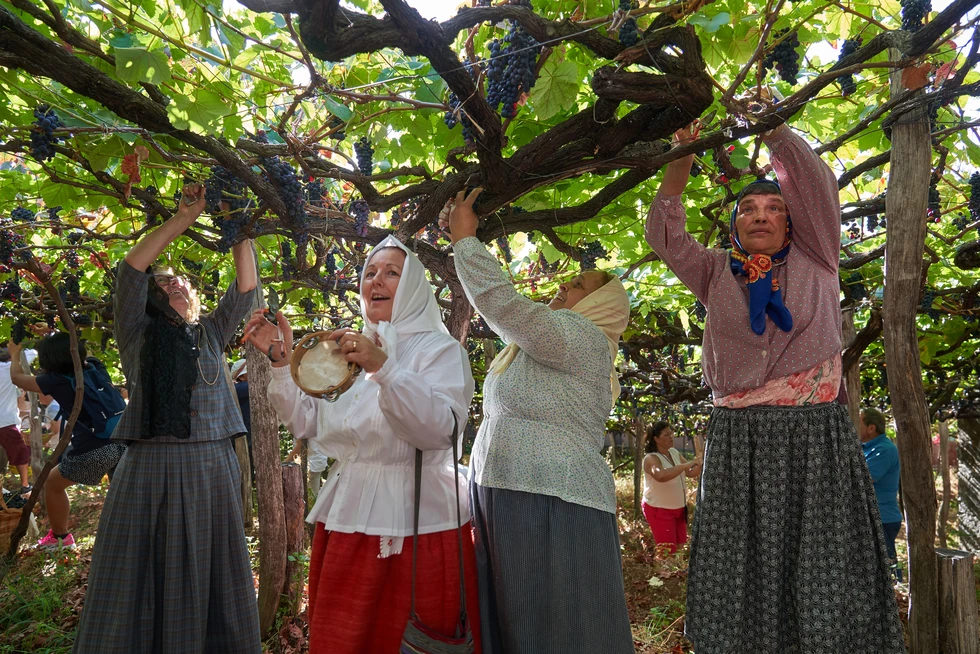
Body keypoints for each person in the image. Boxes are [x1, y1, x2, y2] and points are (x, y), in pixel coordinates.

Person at [646, 123, 904, 652]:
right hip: (738, 440)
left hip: (814, 436)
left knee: (820, 559)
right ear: (735, 224)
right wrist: (681, 156)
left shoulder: (820, 258)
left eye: (773, 207)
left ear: (791, 220)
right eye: (748, 209)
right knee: (738, 559)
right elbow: (666, 234)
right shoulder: (716, 271)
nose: (760, 214)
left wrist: (772, 130)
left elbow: (813, 185)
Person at [243, 235, 481, 653]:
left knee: (415, 639)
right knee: (345, 639)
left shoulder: (439, 351)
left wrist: (383, 368)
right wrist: (282, 362)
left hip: (422, 525)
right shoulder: (347, 351)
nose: (377, 280)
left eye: (392, 272)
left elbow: (439, 433)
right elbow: (309, 422)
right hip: (352, 519)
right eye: (370, 273)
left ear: (412, 287)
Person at [72, 183, 261, 653]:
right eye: (164, 283)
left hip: (214, 468)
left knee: (212, 573)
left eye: (180, 281)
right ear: (151, 299)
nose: (174, 283)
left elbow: (246, 288)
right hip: (151, 470)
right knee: (138, 582)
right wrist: (184, 219)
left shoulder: (213, 335)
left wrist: (237, 223)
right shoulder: (137, 332)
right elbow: (131, 269)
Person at [449, 189, 635, 654]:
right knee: (524, 620)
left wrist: (466, 242)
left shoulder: (584, 337)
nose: (562, 287)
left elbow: (507, 308)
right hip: (517, 489)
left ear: (601, 306)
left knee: (554, 622)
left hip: (551, 495)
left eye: (577, 286)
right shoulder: (544, 349)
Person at [7, 333, 126, 551]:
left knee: (52, 484)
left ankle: (60, 538)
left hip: (95, 447)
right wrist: (58, 338)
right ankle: (128, 535)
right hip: (124, 441)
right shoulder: (95, 368)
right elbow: (82, 353)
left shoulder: (57, 381)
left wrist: (15, 354)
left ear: (49, 361)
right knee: (120, 490)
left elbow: (17, 378)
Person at [641, 421, 701, 555]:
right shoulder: (651, 458)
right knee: (666, 552)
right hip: (660, 509)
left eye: (671, 433)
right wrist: (686, 465)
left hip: (679, 509)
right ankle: (662, 575)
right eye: (666, 434)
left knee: (679, 548)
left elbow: (690, 472)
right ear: (656, 439)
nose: (671, 437)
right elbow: (661, 476)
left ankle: (675, 574)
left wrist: (700, 464)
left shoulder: (673, 452)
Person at [859, 407, 903, 579]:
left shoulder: (884, 449)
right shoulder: (866, 448)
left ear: (871, 428)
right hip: (874, 516)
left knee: (888, 564)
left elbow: (863, 477)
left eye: (859, 422)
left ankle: (897, 591)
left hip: (883, 518)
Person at [0, 346, 32, 496]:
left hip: (6, 420)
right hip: (6, 421)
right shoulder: (7, 369)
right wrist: (15, 351)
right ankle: (25, 485)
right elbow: (32, 353)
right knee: (19, 452)